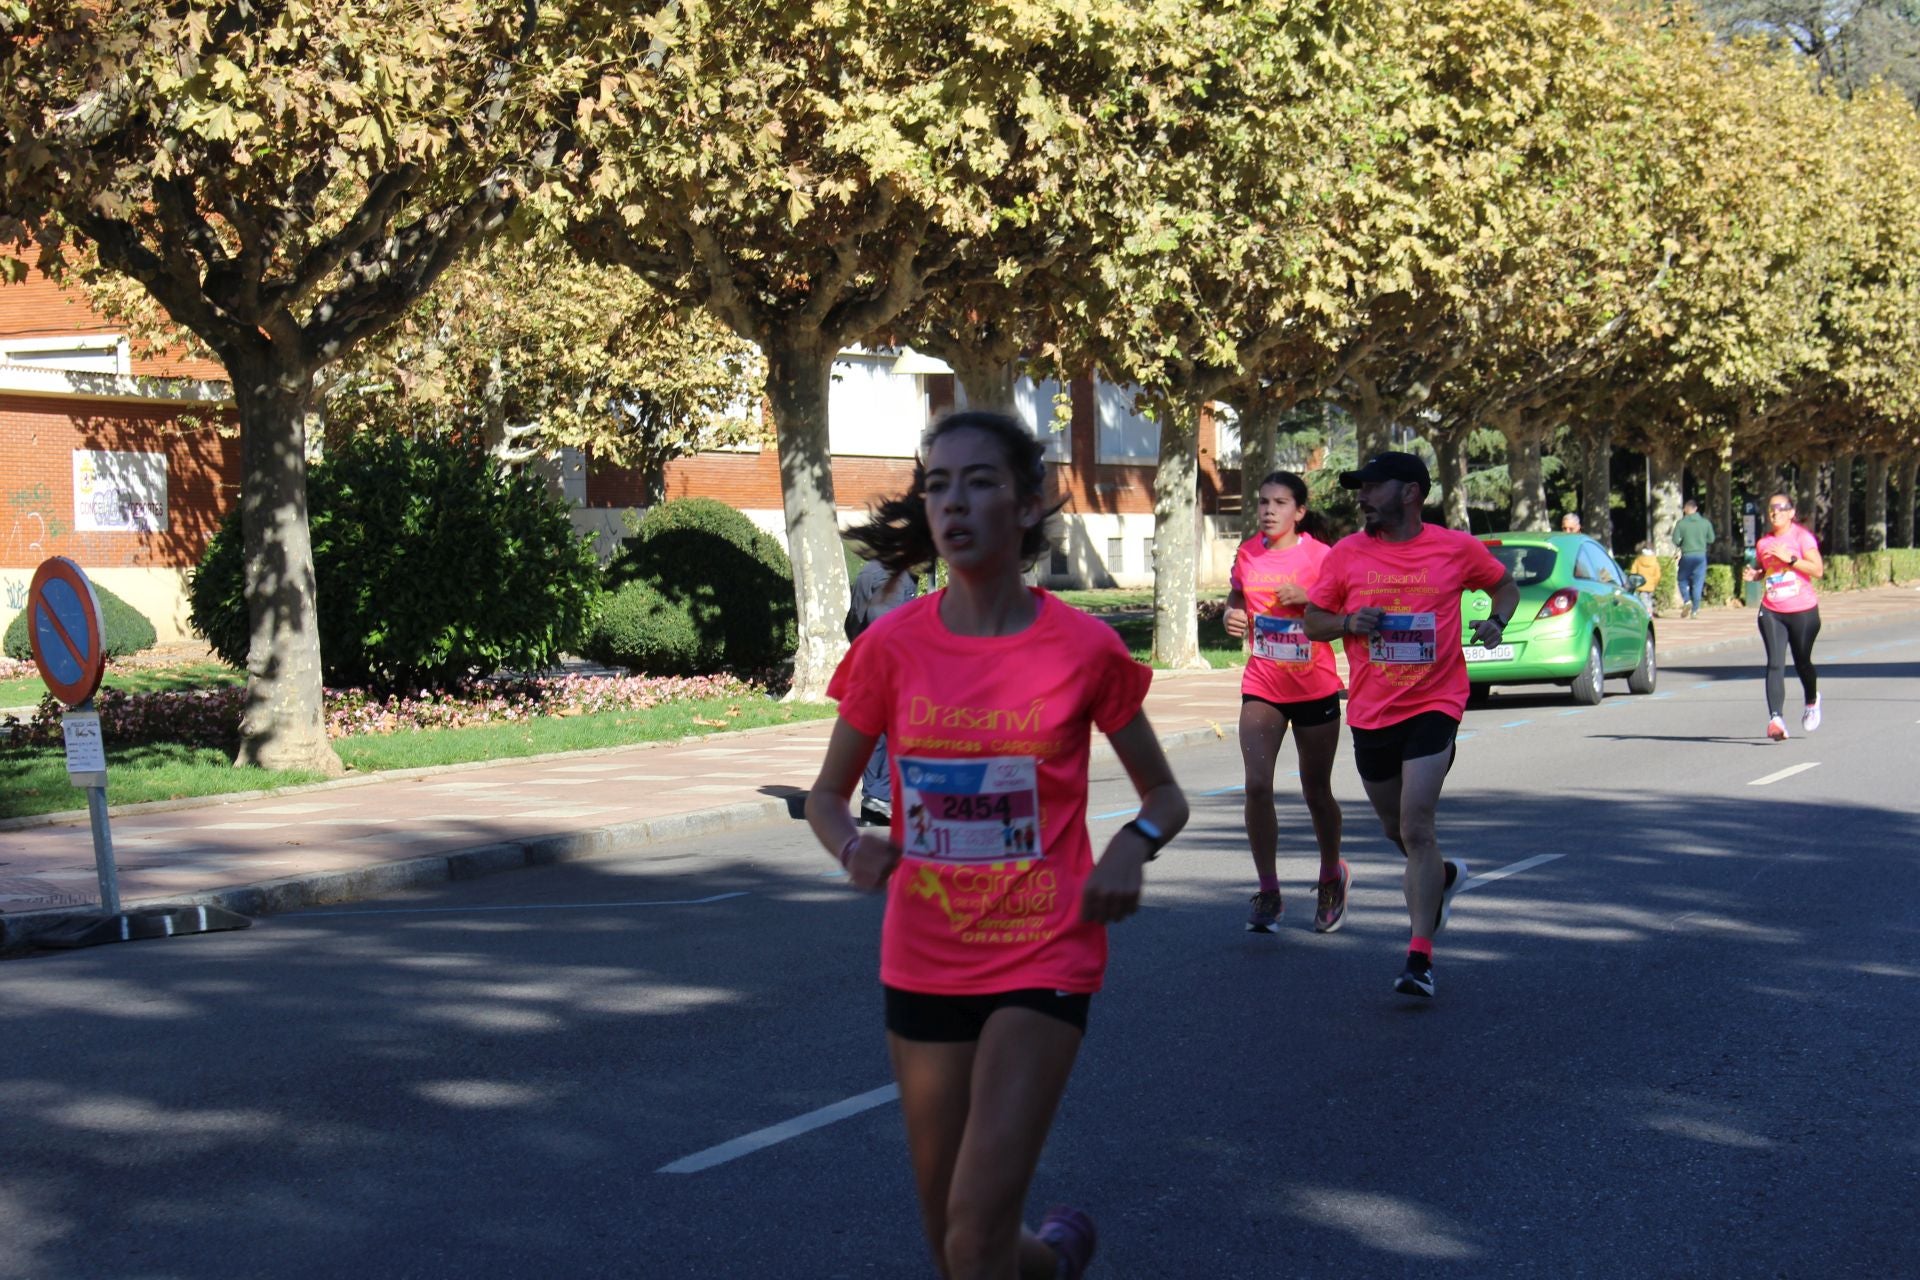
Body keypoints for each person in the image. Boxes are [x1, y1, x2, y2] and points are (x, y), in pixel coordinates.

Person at [807, 410, 1189, 1279]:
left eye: (979, 482)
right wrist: (849, 850)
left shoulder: (1083, 647)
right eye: (938, 484)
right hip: (923, 957)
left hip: (1043, 951)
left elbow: (1165, 795)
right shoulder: (893, 647)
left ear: (1023, 507)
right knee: (955, 1242)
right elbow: (828, 800)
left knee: (975, 1235)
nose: (953, 502)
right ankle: (1053, 1265)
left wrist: (1134, 844)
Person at [1302, 452, 1519, 999]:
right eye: (1361, 487)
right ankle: (1440, 878)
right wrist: (1348, 622)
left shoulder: (1454, 548)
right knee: (1396, 829)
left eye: (1374, 487)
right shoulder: (1347, 554)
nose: (1362, 496)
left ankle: (1419, 958)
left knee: (1417, 825)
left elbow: (1504, 586)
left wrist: (1495, 622)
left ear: (1411, 493)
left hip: (1437, 700)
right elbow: (1312, 621)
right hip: (1373, 711)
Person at [1222, 471, 1347, 934]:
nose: (1268, 510)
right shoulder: (1249, 551)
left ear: (1300, 511)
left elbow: (1345, 616)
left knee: (1316, 790)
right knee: (1257, 786)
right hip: (1263, 684)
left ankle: (1332, 874)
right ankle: (1269, 889)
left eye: (1279, 503)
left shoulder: (1323, 556)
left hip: (1314, 685)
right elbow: (1238, 592)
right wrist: (1232, 612)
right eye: (1262, 502)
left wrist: (1310, 597)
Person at [1742, 493, 1824, 741]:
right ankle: (1775, 719)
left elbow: (1817, 570)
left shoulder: (1802, 537)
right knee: (1775, 663)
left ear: (1791, 512)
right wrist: (1757, 575)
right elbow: (1769, 571)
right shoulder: (1764, 543)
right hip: (1772, 610)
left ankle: (1812, 700)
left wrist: (1791, 559)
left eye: (1780, 508)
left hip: (1803, 611)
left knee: (1802, 662)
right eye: (1771, 509)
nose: (1774, 513)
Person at [846, 555, 921, 824]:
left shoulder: (868, 572)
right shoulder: (897, 580)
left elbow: (853, 619)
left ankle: (874, 802)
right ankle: (889, 801)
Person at [1672, 499, 1714, 618]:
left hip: (1687, 555)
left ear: (1685, 510)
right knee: (1698, 582)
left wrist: (1682, 545)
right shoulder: (1705, 523)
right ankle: (1695, 610)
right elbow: (1711, 539)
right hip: (1701, 555)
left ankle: (1686, 600)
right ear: (1696, 509)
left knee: (1682, 579)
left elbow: (1675, 540)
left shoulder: (1681, 523)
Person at [1629, 544, 1662, 614]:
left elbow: (1633, 573)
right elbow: (1658, 575)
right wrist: (1654, 583)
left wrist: (1635, 583)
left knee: (1644, 601)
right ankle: (1650, 612)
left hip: (1641, 585)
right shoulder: (1655, 561)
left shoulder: (1638, 560)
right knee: (1649, 599)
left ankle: (1647, 612)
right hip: (1651, 585)